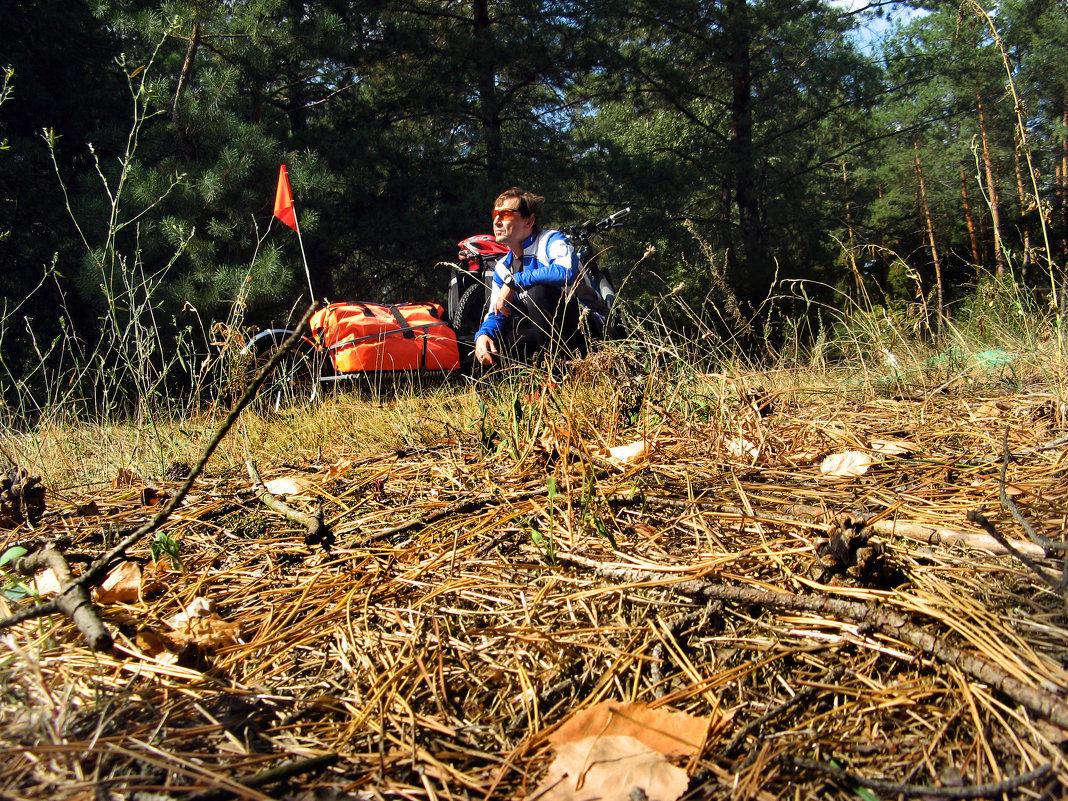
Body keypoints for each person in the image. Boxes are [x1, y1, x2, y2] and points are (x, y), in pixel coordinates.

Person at [473, 188, 595, 366]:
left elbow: (566, 272)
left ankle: (558, 377)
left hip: (586, 328)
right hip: (546, 337)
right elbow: (498, 313)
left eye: (505, 214)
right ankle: (515, 390)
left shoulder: (550, 241)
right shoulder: (502, 268)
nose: (497, 221)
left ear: (529, 221)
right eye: (495, 214)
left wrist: (516, 281)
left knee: (538, 292)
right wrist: (483, 334)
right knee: (490, 343)